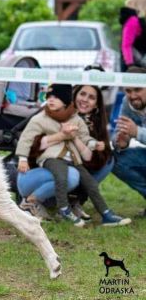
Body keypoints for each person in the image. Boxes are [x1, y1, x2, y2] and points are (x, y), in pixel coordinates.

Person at [16, 83, 130, 227]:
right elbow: (26, 140)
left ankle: (106, 214)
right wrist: (23, 158)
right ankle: (61, 209)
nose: (51, 100)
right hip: (42, 166)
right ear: (74, 96)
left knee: (91, 183)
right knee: (66, 175)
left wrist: (94, 144)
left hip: (71, 161)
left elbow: (86, 141)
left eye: (91, 97)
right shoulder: (41, 118)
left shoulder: (78, 120)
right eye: (82, 94)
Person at [112, 66, 146, 215]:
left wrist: (136, 132)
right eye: (128, 90)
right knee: (114, 159)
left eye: (137, 89)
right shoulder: (127, 102)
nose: (132, 96)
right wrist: (121, 142)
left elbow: (135, 131)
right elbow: (118, 131)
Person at [119, 0, 146, 69]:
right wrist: (130, 64)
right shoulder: (133, 20)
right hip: (134, 64)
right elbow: (126, 44)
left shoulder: (139, 19)